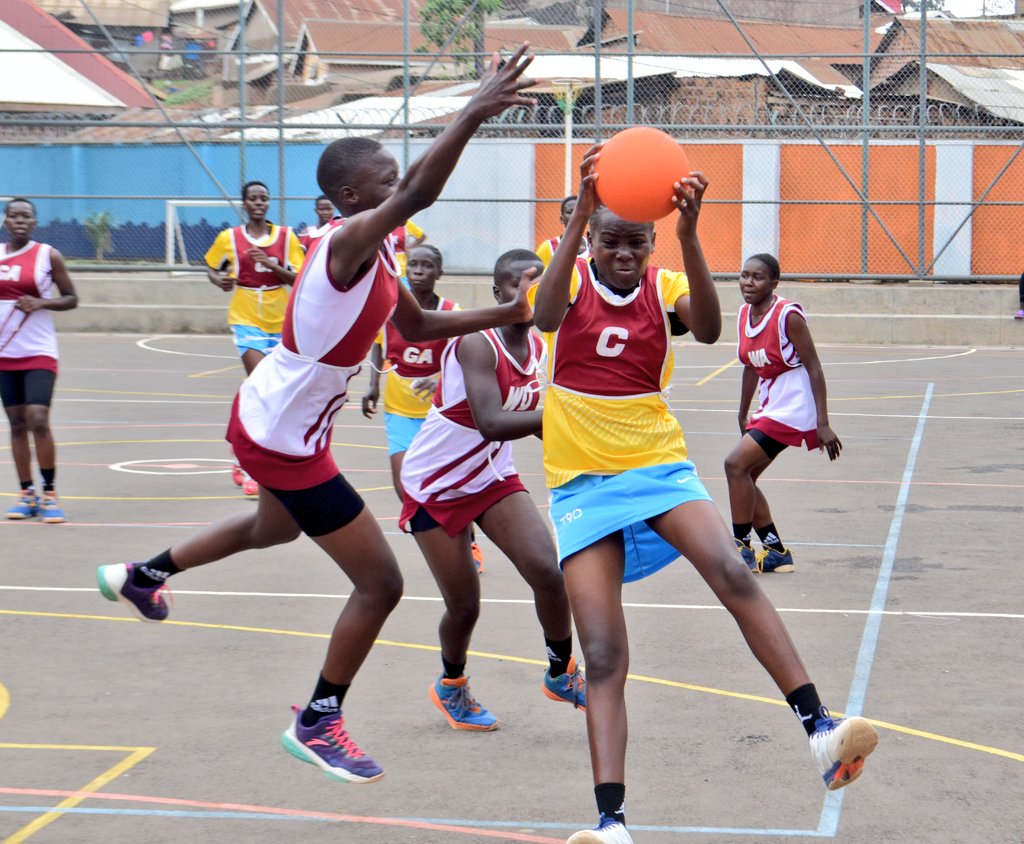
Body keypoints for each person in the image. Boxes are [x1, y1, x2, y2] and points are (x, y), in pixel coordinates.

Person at [96, 45, 537, 786]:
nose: (398, 189)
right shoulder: (344, 242)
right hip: (285, 436)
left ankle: (144, 574)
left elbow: (417, 327)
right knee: (381, 585)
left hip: (279, 418)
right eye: (384, 183)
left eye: (394, 179)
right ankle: (318, 720)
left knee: (271, 528)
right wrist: (472, 112)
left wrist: (508, 312)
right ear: (349, 196)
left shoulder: (379, 256)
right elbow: (420, 193)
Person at [531, 150, 878, 844]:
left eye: (637, 241)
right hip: (581, 482)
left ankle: (818, 728)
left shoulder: (664, 286)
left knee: (730, 570)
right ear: (590, 237)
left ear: (652, 242)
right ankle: (610, 822)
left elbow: (715, 329)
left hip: (657, 466)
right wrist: (579, 217)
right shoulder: (567, 278)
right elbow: (542, 317)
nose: (624, 253)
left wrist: (690, 235)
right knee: (603, 653)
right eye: (610, 239)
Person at [398, 248, 585, 731]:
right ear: (500, 292)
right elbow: (492, 421)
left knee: (549, 572)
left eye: (541, 285)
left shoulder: (540, 347)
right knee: (465, 605)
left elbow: (538, 424)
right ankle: (451, 684)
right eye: (523, 284)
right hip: (436, 484)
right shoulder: (476, 343)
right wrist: (564, 417)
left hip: (492, 476)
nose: (533, 294)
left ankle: (560, 672)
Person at [360, 244, 486, 571]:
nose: (418, 270)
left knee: (451, 483)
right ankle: (441, 543)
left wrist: (440, 377)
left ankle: (468, 541)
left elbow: (466, 355)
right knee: (404, 487)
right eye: (413, 264)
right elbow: (378, 345)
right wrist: (373, 384)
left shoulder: (451, 311)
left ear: (439, 272)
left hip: (441, 414)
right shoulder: (390, 310)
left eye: (426, 265)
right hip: (399, 409)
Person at [724, 253, 841, 574]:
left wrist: (822, 423)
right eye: (744, 275)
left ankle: (741, 547)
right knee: (746, 476)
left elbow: (814, 367)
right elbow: (750, 366)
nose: (748, 282)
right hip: (771, 403)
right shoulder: (744, 315)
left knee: (735, 465)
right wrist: (742, 412)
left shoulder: (788, 316)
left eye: (757, 277)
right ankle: (775, 551)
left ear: (773, 283)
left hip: (795, 404)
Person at [204, 180, 305, 494]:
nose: (259, 202)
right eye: (253, 198)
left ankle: (248, 449)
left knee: (275, 392)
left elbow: (299, 279)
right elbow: (210, 267)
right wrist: (219, 280)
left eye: (263, 198)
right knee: (260, 383)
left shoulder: (286, 237)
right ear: (244, 204)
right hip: (246, 316)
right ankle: (249, 465)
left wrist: (271, 265)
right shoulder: (229, 238)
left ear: (268, 202)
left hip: (279, 317)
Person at [1, 198, 78, 523]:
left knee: (38, 418)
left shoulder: (48, 255)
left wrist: (41, 302)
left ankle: (49, 493)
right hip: (4, 352)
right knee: (17, 423)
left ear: (35, 222)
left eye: (26, 216)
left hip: (38, 350)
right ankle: (26, 493)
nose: (20, 221)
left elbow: (71, 298)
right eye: (13, 216)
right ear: (5, 221)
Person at [535, 194, 589, 268]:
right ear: (561, 219)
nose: (575, 215)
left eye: (579, 211)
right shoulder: (548, 247)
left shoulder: (592, 247)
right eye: (570, 212)